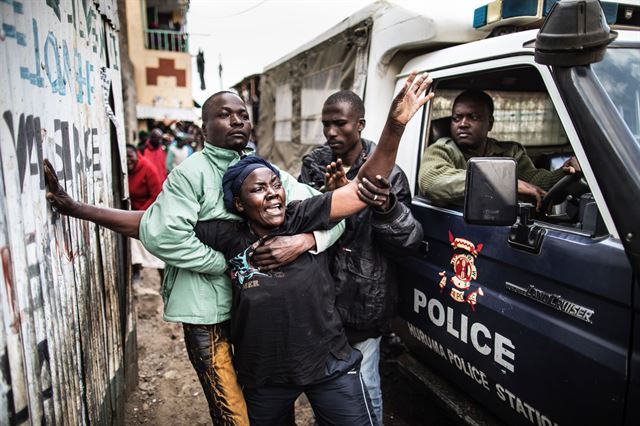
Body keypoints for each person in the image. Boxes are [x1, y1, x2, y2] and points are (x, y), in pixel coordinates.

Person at [44, 71, 434, 424]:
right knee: (236, 416)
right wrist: (233, 263)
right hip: (213, 316)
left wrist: (309, 239)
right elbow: (155, 230)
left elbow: (346, 202)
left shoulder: (277, 188)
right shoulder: (197, 184)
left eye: (243, 115)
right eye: (224, 114)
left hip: (308, 350)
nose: (237, 121)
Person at [298, 90, 423, 424]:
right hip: (320, 300)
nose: (331, 132)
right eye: (326, 124)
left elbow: (408, 242)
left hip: (364, 302)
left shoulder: (390, 175)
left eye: (339, 124)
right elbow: (296, 222)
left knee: (364, 388)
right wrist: (331, 200)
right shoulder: (314, 165)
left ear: (360, 124)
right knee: (326, 388)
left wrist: (385, 206)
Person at [418, 89, 581, 208]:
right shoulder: (442, 149)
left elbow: (536, 183)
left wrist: (564, 173)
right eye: (457, 118)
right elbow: (431, 181)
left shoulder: (510, 152)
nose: (463, 124)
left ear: (490, 123)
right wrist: (504, 183)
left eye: (473, 117)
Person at [125, 144, 164, 280]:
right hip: (133, 213)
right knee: (134, 245)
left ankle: (162, 279)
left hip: (150, 212)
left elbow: (157, 195)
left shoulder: (148, 169)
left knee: (156, 249)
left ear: (137, 155)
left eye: (130, 156)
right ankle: (137, 271)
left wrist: (141, 213)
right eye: (125, 157)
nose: (128, 160)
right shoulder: (124, 172)